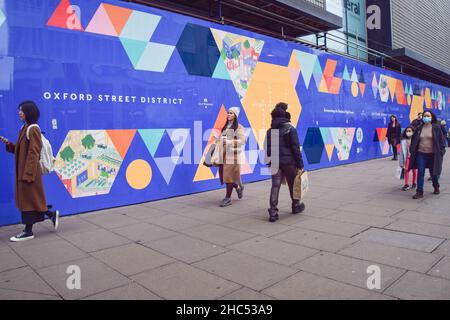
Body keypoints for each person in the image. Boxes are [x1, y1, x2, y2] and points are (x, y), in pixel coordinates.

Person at [0, 101, 59, 241]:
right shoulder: (24, 127)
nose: (19, 112)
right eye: (19, 110)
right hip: (26, 171)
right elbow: (23, 151)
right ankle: (50, 215)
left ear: (29, 112)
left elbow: (34, 152)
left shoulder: (33, 129)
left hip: (29, 172)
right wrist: (9, 144)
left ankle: (28, 231)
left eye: (22, 110)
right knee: (32, 199)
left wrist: (28, 174)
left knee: (28, 200)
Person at [264, 102, 305, 222]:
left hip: (275, 162)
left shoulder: (269, 131)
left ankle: (273, 212)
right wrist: (300, 164)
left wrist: (269, 162)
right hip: (289, 162)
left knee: (275, 186)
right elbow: (295, 148)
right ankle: (296, 206)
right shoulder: (290, 129)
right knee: (293, 184)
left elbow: (267, 148)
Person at [409, 110, 446, 199]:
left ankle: (436, 186)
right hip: (421, 154)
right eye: (425, 116)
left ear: (431, 117)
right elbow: (414, 140)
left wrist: (441, 152)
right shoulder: (419, 128)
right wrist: (412, 149)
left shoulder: (436, 128)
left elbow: (441, 142)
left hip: (433, 155)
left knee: (433, 173)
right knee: (420, 172)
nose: (426, 117)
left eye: (428, 116)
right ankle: (419, 191)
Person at [217, 107, 245, 207]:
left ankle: (228, 198)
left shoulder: (239, 127)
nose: (228, 115)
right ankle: (238, 187)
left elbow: (242, 141)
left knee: (228, 176)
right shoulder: (226, 126)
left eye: (231, 113)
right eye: (228, 113)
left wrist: (230, 142)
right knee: (223, 176)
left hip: (232, 154)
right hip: (222, 153)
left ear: (235, 115)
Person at [399, 126, 417, 191]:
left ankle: (414, 183)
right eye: (407, 131)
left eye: (410, 131)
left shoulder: (415, 140)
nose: (408, 132)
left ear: (413, 132)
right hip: (407, 158)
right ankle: (406, 184)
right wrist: (401, 161)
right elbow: (401, 151)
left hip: (414, 158)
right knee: (406, 170)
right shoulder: (403, 141)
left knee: (414, 170)